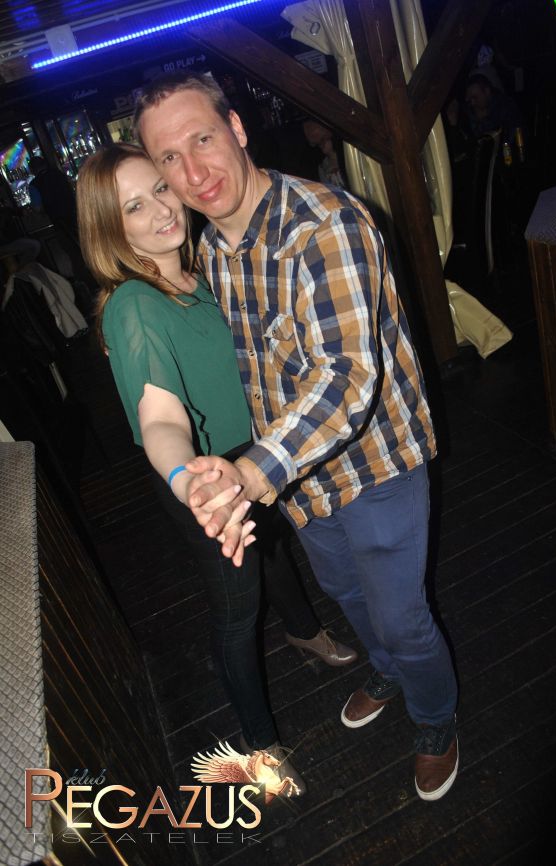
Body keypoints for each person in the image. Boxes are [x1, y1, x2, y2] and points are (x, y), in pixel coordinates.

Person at [134, 73, 459, 802]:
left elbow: (349, 379)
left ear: (237, 129)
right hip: (302, 481)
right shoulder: (212, 250)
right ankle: (386, 670)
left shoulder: (325, 224)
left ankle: (436, 718)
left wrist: (250, 475)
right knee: (345, 593)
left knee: (402, 618)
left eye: (203, 139)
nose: (193, 170)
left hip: (376, 464)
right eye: (169, 159)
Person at [75, 143, 358, 797]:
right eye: (133, 207)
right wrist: (193, 482)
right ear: (110, 230)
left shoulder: (198, 272)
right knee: (236, 610)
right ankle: (259, 749)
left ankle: (304, 632)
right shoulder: (134, 304)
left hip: (251, 456)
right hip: (201, 475)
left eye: (160, 189)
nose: (161, 211)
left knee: (275, 551)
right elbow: (160, 420)